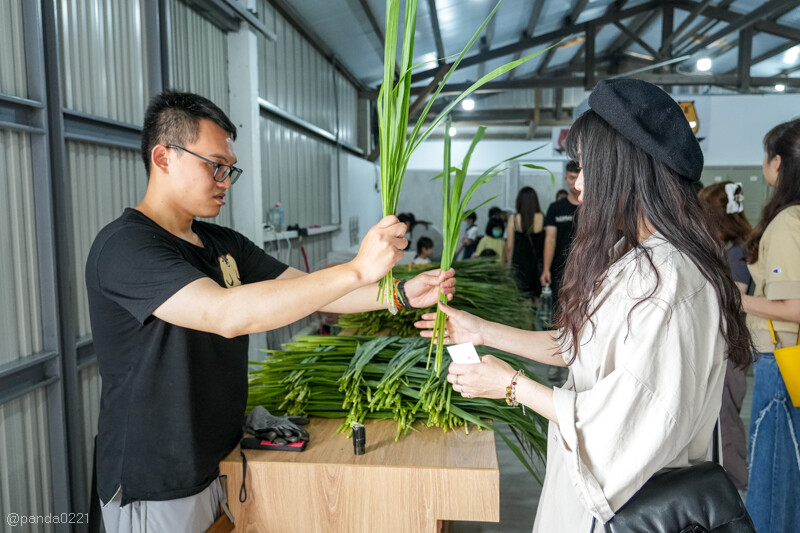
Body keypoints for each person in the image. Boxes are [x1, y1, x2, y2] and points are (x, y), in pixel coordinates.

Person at [86, 91, 455, 533]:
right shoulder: (127, 247)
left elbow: (308, 291)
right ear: (164, 157)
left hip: (216, 459)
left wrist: (397, 294)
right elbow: (225, 315)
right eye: (215, 165)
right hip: (157, 479)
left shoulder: (223, 243)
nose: (225, 180)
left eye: (230, 170)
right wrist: (357, 269)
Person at [416, 78, 752, 531]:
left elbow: (626, 419)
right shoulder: (635, 258)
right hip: (586, 495)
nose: (579, 186)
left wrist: (514, 386)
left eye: (587, 167)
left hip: (628, 507)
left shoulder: (669, 279)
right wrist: (482, 332)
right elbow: (581, 348)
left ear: (624, 170)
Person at [740, 117, 800, 532]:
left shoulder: (787, 222)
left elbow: (794, 306)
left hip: (782, 362)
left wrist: (736, 298)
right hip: (788, 362)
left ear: (778, 164)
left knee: (773, 482)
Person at [698, 181, 753, 492]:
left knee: (727, 422)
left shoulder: (737, 253)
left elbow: (732, 301)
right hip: (726, 345)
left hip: (731, 347)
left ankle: (741, 485)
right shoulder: (733, 249)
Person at [540, 160, 580, 312]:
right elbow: (550, 239)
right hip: (561, 269)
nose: (574, 182)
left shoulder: (593, 208)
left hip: (588, 267)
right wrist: (546, 269)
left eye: (577, 177)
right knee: (560, 311)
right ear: (565, 179)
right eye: (571, 177)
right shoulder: (556, 208)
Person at [503, 186, 545, 299]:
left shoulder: (514, 219)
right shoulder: (542, 217)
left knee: (520, 298)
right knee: (536, 298)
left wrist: (508, 267)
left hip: (519, 265)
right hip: (536, 266)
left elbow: (510, 247)